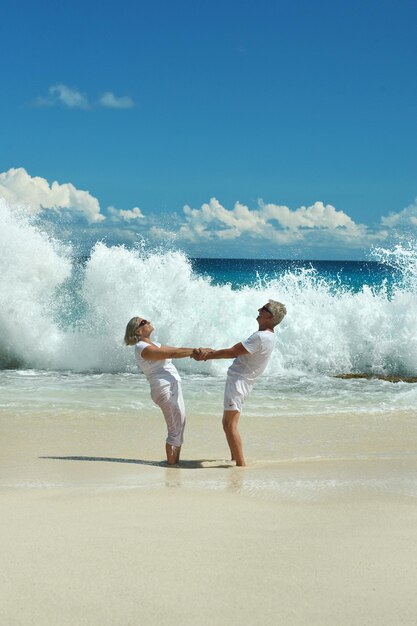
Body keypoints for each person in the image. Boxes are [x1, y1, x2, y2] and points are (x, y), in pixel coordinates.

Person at [193, 301, 287, 467]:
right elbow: (235, 351)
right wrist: (210, 353)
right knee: (228, 424)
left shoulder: (260, 337)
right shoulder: (269, 336)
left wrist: (207, 356)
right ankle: (235, 459)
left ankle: (240, 465)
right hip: (243, 381)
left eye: (264, 309)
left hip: (239, 381)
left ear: (270, 316)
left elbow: (232, 352)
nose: (259, 309)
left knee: (230, 425)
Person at [124, 316, 195, 465]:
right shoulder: (142, 348)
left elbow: (176, 350)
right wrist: (196, 352)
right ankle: (171, 466)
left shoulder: (154, 344)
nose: (148, 322)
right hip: (164, 388)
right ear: (138, 330)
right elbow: (173, 354)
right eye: (144, 322)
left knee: (180, 425)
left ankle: (175, 462)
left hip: (170, 386)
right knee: (174, 429)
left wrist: (196, 351)